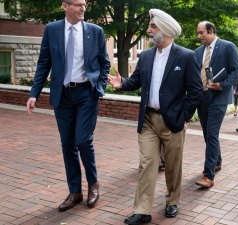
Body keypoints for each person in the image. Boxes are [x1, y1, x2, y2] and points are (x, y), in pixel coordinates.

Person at [108, 9, 203, 225]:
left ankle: (172, 200)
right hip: (149, 120)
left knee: (173, 164)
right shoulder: (146, 55)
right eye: (150, 26)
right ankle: (142, 210)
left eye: (153, 27)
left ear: (165, 30)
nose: (148, 30)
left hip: (173, 122)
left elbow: (196, 91)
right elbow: (136, 81)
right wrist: (122, 84)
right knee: (147, 163)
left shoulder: (187, 56)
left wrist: (183, 117)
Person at [26, 0, 110, 212]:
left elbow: (104, 62)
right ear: (65, 5)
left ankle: (93, 185)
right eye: (78, 5)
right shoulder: (52, 29)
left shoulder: (95, 31)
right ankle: (75, 191)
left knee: (83, 140)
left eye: (84, 5)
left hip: (86, 94)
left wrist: (98, 88)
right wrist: (34, 93)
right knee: (67, 144)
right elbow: (44, 63)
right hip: (62, 95)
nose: (83, 9)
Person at [194, 21, 238, 188]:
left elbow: (237, 70)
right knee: (208, 134)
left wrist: (222, 84)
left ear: (211, 30)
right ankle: (217, 161)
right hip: (202, 98)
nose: (199, 36)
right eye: (198, 33)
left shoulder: (228, 47)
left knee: (212, 134)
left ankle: (208, 176)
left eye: (202, 33)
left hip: (219, 97)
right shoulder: (198, 51)